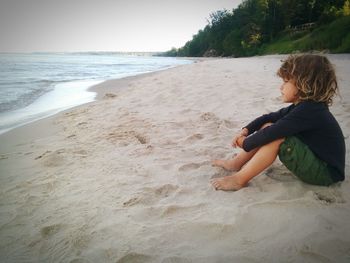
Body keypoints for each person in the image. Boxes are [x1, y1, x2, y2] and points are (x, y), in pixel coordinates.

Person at [211, 54, 346, 191]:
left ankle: (239, 180)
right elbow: (268, 118)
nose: (281, 87)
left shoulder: (309, 111)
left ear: (304, 84)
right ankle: (236, 163)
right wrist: (246, 130)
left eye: (286, 82)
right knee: (268, 126)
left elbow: (271, 134)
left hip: (326, 173)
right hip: (317, 161)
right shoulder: (304, 107)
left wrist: (244, 142)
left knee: (277, 138)